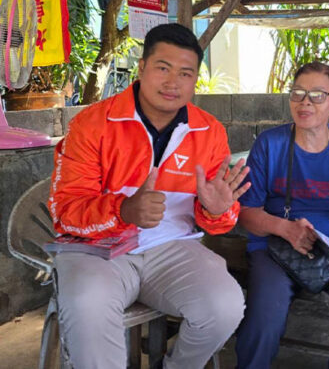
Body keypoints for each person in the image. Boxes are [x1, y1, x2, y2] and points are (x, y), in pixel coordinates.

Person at [48, 23, 250, 369]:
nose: (173, 82)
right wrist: (124, 210)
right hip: (96, 250)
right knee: (87, 305)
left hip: (173, 248)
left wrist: (217, 211)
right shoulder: (92, 124)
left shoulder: (209, 131)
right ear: (141, 68)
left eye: (185, 73)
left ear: (195, 79)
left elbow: (218, 222)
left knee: (225, 305)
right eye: (163, 68)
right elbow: (65, 211)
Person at [235, 62, 329, 369]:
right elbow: (246, 213)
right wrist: (285, 228)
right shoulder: (270, 144)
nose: (305, 103)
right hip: (277, 242)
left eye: (317, 95)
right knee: (264, 315)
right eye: (298, 93)